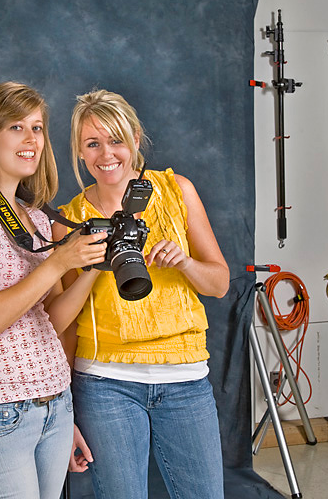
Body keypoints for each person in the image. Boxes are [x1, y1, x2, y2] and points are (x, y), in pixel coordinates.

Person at [0, 82, 108, 499]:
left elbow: (52, 320)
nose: (32, 140)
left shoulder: (36, 220)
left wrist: (93, 268)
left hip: (54, 405)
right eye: (16, 127)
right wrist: (60, 263)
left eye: (38, 127)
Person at [53, 89, 230, 499]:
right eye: (92, 143)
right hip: (105, 383)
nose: (106, 154)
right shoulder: (69, 222)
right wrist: (66, 415)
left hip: (185, 379)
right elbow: (61, 328)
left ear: (135, 137)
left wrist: (184, 262)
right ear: (80, 152)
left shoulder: (176, 191)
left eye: (116, 140)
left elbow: (219, 284)